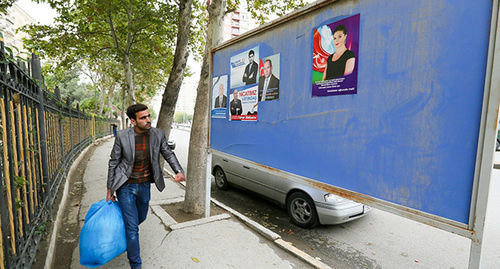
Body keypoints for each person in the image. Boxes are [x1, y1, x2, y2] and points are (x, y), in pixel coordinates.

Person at [107, 104, 185, 269]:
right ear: (133, 121)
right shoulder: (122, 136)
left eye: (148, 116)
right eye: (143, 118)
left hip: (144, 185)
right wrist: (110, 190)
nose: (148, 120)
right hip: (125, 185)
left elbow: (168, 152)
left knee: (140, 218)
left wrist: (178, 170)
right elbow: (113, 162)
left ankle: (127, 231)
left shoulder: (157, 134)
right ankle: (136, 264)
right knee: (133, 228)